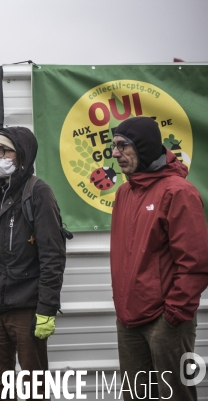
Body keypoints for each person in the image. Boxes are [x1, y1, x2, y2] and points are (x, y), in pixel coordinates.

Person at [0, 127, 66, 399]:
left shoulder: (39, 193)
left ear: (23, 154)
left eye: (5, 150)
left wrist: (47, 308)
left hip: (27, 306)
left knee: (35, 386)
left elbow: (52, 256)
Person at [110, 116, 208, 400]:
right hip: (128, 319)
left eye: (122, 146)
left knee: (174, 395)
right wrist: (122, 309)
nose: (115, 153)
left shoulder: (178, 192)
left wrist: (174, 315)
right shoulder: (124, 193)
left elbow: (195, 264)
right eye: (114, 146)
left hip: (165, 322)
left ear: (143, 146)